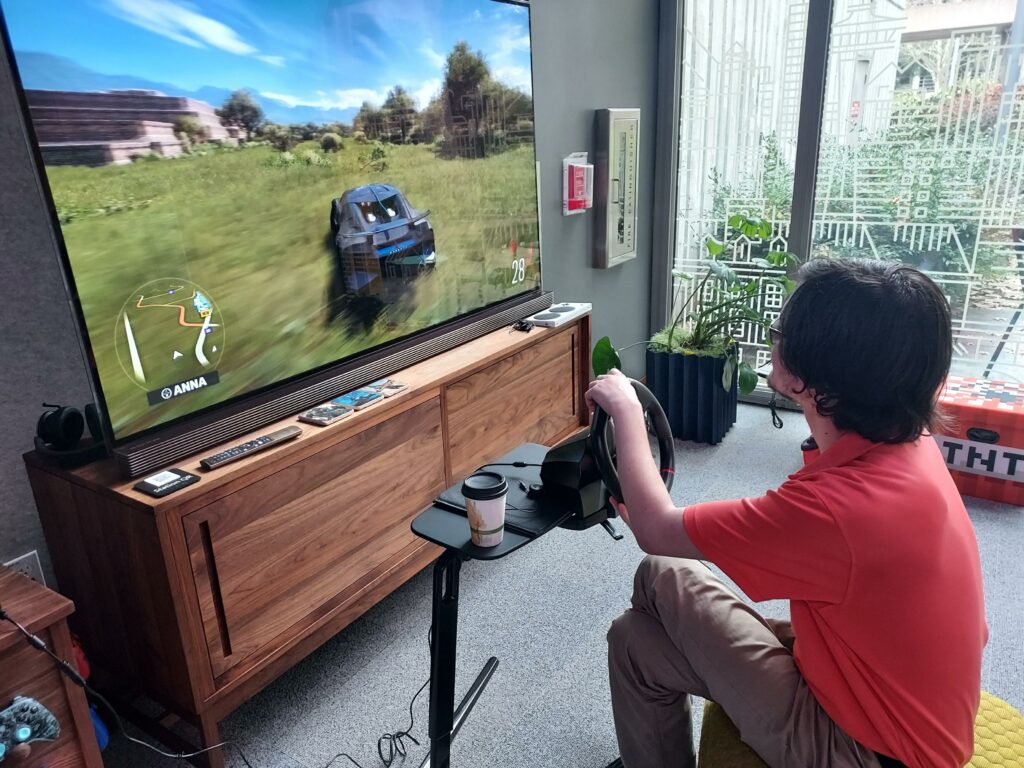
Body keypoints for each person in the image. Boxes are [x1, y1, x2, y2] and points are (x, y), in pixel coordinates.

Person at [585, 258, 987, 768]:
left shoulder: (836, 510)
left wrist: (624, 408)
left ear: (815, 378)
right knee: (634, 641)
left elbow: (655, 528)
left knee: (659, 571)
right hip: (872, 680)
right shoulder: (910, 444)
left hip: (867, 751)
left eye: (781, 331)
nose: (773, 340)